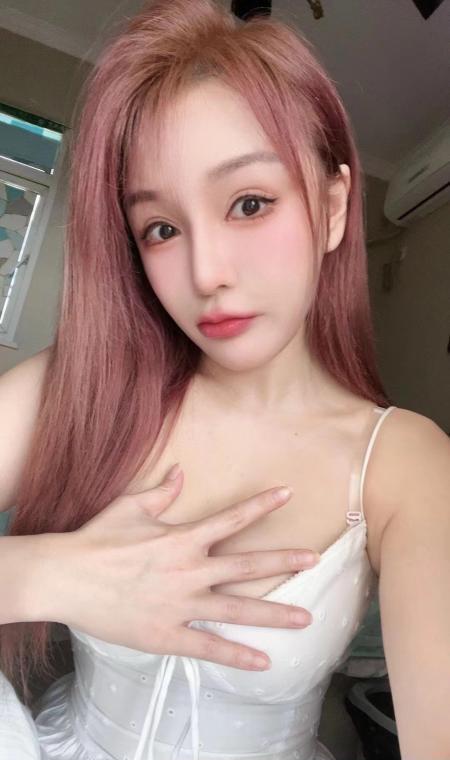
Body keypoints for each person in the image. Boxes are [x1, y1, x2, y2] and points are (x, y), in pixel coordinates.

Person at [0, 0, 449, 758]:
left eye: (249, 203)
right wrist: (49, 574)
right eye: (162, 229)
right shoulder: (80, 387)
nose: (206, 272)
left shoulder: (403, 464)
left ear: (333, 208)